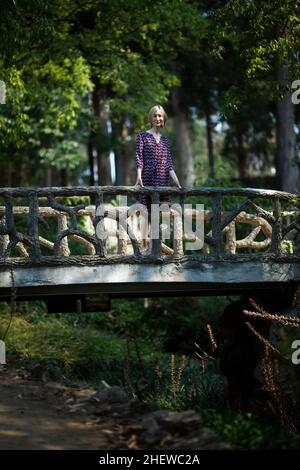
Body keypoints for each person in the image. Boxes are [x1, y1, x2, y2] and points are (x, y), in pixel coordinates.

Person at [135, 105, 181, 250]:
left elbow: (169, 164)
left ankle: (157, 247)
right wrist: (139, 176)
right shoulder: (142, 136)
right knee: (146, 212)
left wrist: (176, 181)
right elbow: (139, 158)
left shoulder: (165, 140)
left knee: (161, 212)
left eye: (160, 116)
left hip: (162, 179)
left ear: (163, 119)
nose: (157, 118)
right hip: (148, 178)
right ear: (150, 118)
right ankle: (143, 247)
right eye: (155, 115)